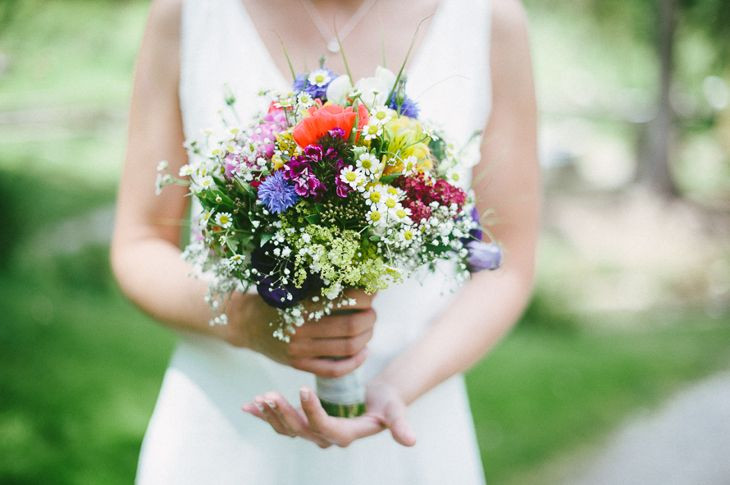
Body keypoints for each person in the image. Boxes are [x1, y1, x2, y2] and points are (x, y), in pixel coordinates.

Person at [110, 0, 539, 483]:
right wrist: (247, 321)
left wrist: (396, 388)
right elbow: (139, 243)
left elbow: (510, 264)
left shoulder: (488, 19)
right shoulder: (187, 13)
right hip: (226, 428)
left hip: (410, 430)